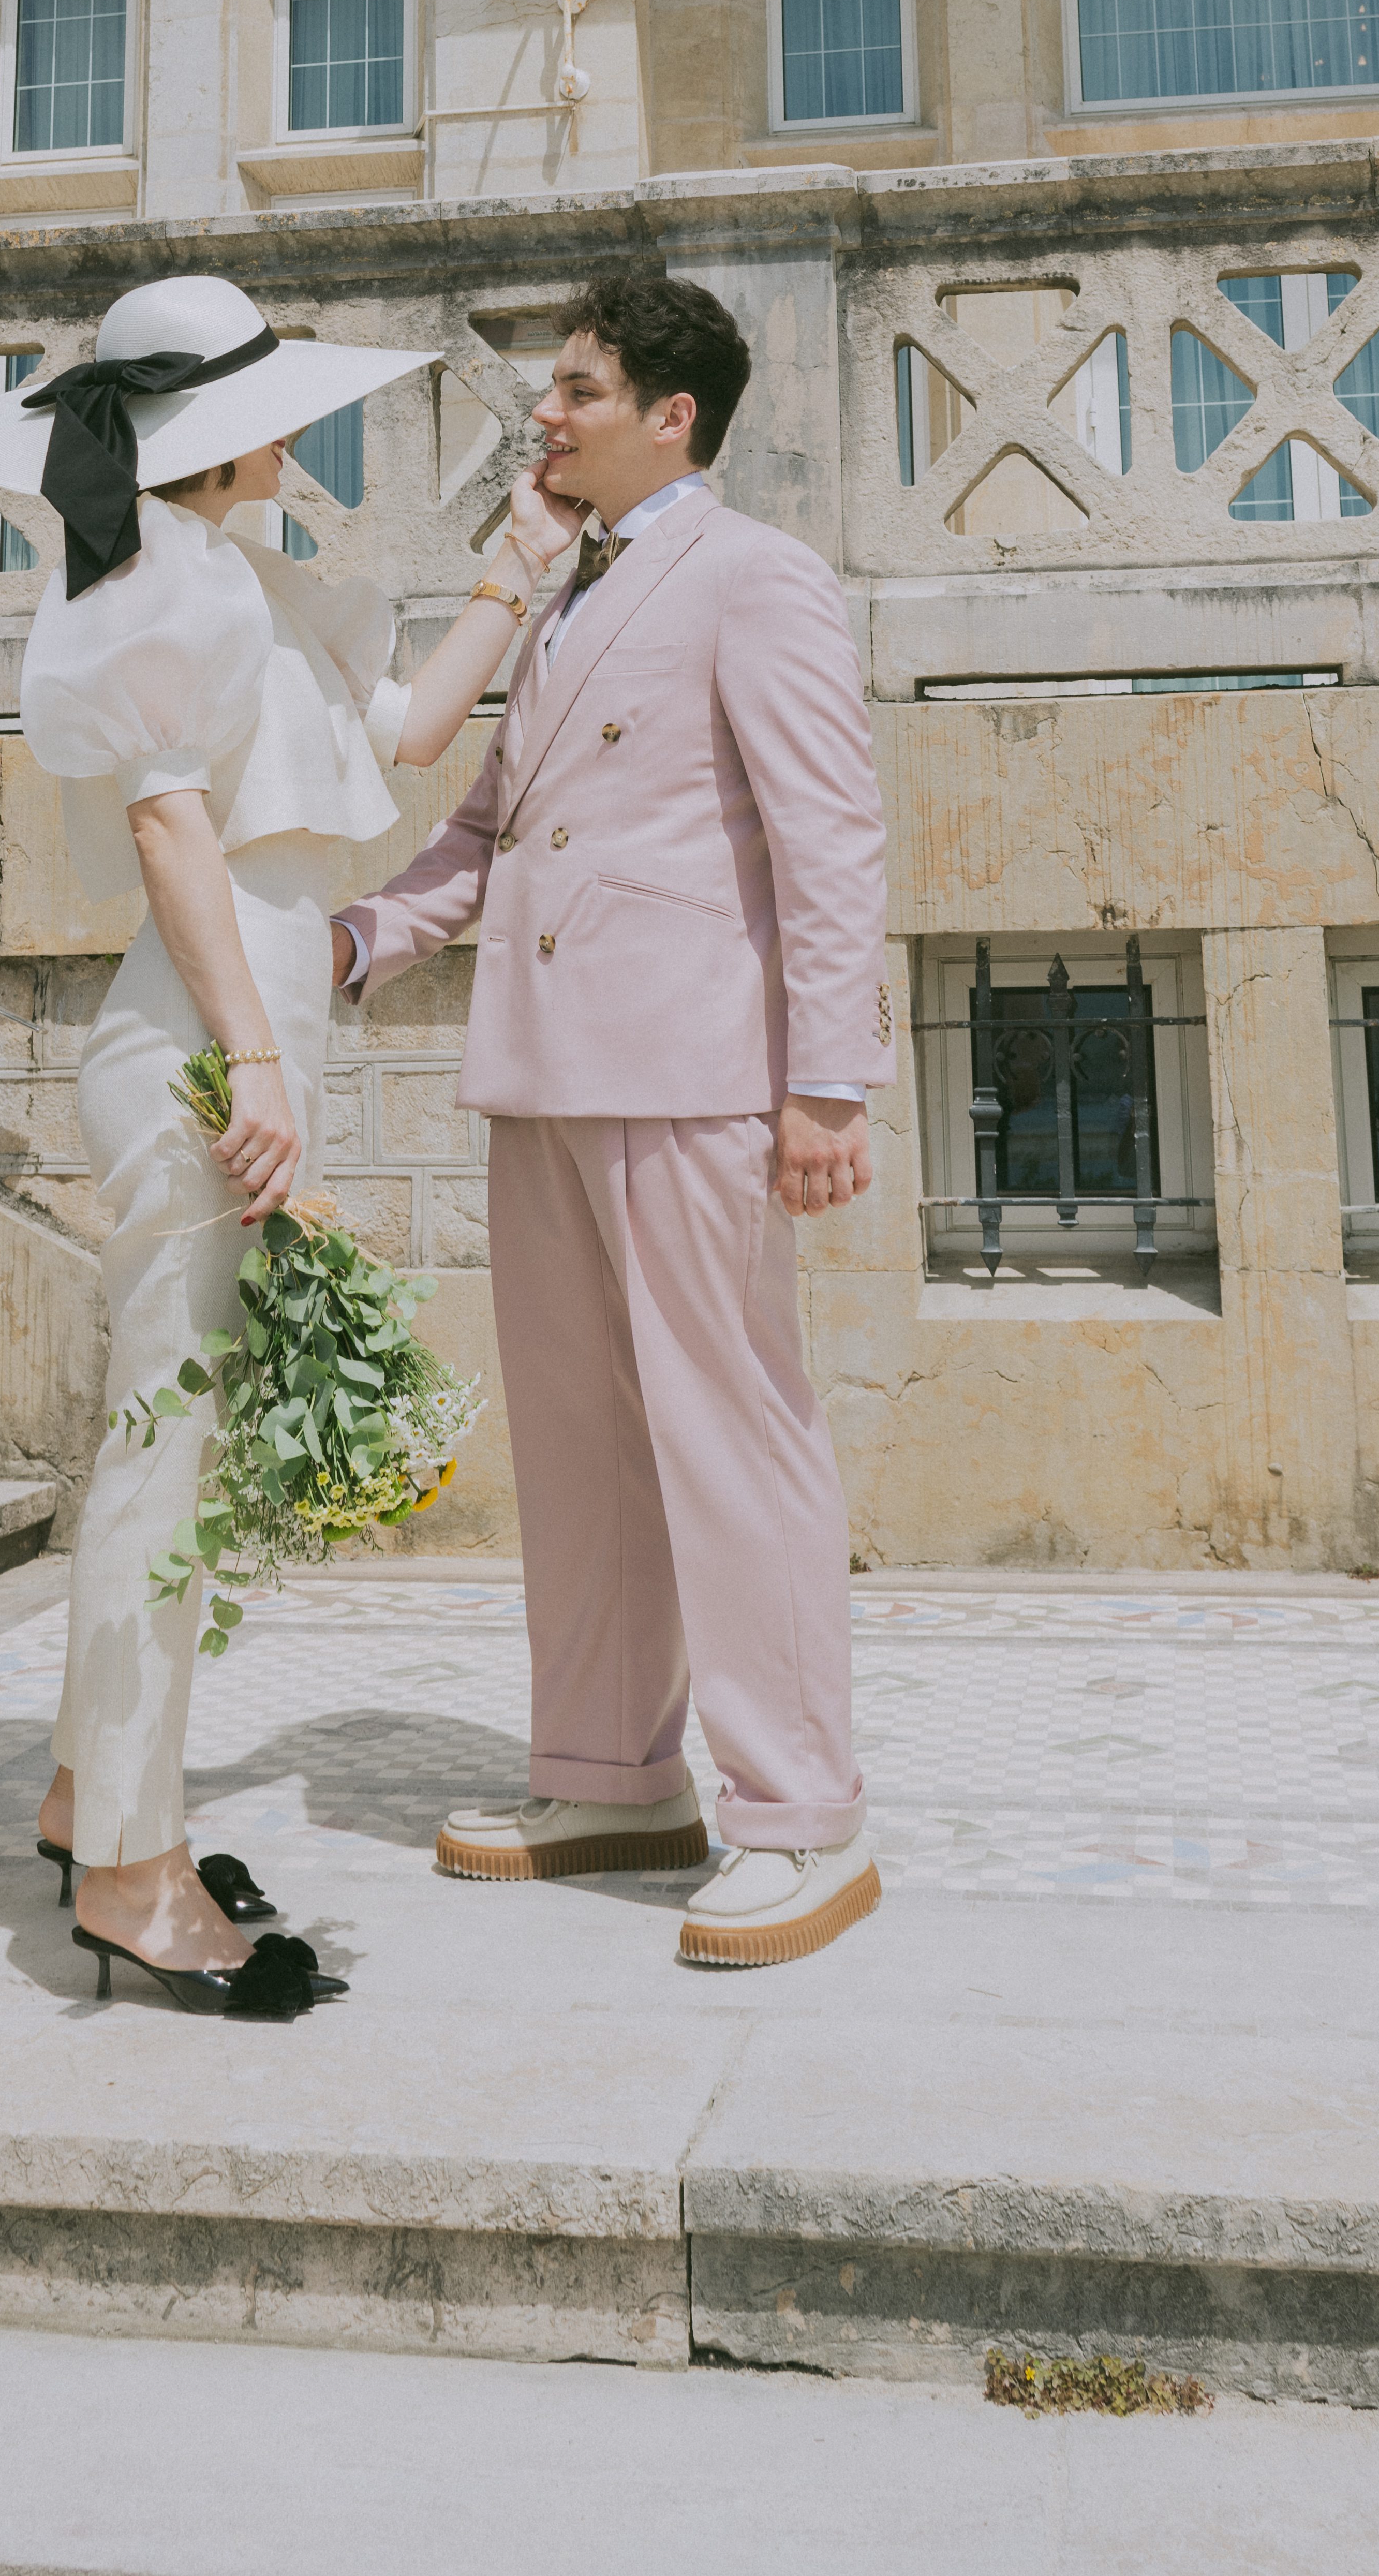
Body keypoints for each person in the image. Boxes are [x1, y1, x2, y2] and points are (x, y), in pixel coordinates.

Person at [0, 274, 571, 2019]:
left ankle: (89, 1798)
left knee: (173, 1445)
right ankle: (133, 1873)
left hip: (233, 1043)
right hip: (197, 1051)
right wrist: (259, 1060)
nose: (301, 426)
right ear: (224, 432)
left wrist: (510, 583)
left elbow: (398, 744)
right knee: (164, 1457)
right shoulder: (157, 585)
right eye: (274, 404)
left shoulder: (251, 587)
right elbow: (168, 835)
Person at [332, 271, 894, 1969]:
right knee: (578, 1449)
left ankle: (801, 1815)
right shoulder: (565, 588)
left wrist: (824, 1083)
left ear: (673, 416)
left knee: (734, 1442)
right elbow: (493, 825)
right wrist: (359, 935)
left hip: (698, 1075)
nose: (545, 413)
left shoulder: (756, 577)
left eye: (577, 388)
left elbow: (830, 838)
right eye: (548, 388)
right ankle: (608, 1774)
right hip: (546, 1071)